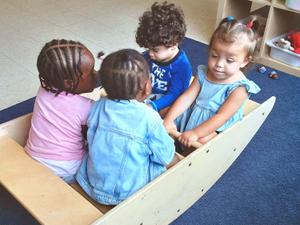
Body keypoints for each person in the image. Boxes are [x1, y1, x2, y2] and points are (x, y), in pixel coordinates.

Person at [76, 49, 178, 205]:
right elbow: (165, 156)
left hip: (90, 183)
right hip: (127, 194)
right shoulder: (149, 117)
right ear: (147, 87)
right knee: (171, 158)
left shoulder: (97, 106)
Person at [163, 17, 261, 147]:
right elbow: (187, 97)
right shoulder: (204, 72)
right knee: (165, 111)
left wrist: (196, 133)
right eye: (214, 56)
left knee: (204, 142)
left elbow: (221, 117)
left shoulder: (240, 87)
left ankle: (187, 157)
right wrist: (169, 120)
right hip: (194, 113)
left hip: (214, 124)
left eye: (229, 61)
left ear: (244, 61)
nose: (219, 64)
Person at [25, 39, 97, 183]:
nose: (96, 74)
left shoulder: (43, 90)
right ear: (69, 83)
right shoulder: (85, 106)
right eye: (91, 72)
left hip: (32, 157)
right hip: (66, 169)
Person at [135, 1, 192, 117]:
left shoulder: (182, 66)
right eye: (148, 48)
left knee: (170, 111)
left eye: (155, 50)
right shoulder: (151, 54)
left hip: (167, 100)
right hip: (149, 93)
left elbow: (174, 94)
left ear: (173, 45)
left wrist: (153, 106)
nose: (150, 53)